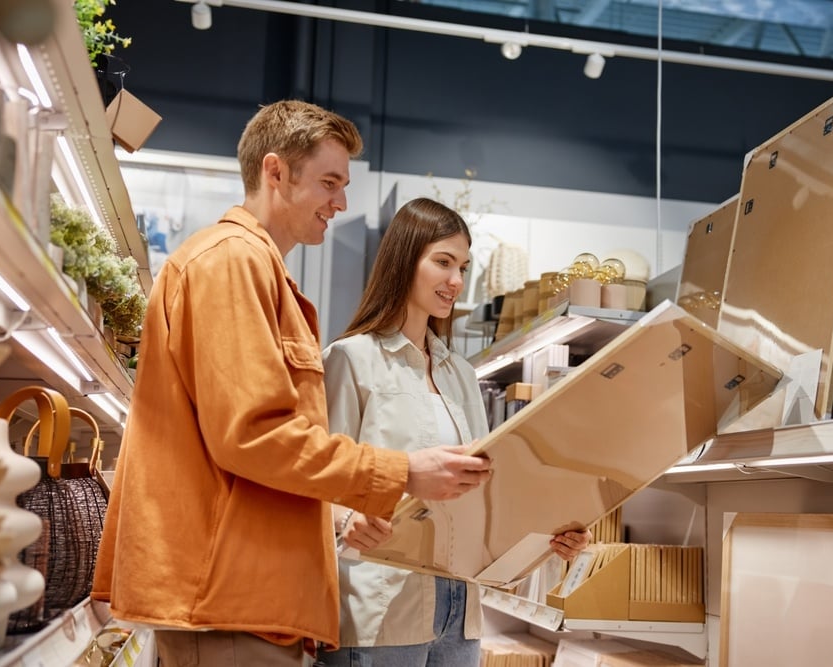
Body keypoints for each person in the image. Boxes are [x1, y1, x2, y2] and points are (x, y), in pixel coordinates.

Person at [90, 102, 491, 667]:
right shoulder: (232, 263)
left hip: (248, 596)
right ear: (275, 172)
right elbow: (254, 434)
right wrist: (402, 473)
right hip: (227, 595)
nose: (342, 202)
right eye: (330, 182)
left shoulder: (258, 270)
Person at [320, 197, 591, 667]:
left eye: (462, 266)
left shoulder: (461, 374)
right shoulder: (350, 360)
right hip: (382, 605)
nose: (456, 282)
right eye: (443, 262)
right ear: (405, 259)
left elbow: (481, 493)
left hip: (460, 611)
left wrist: (548, 537)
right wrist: (345, 520)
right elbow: (319, 479)